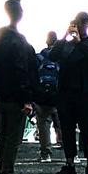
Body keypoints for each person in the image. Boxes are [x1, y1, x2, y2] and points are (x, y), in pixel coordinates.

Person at [0, 0, 39, 174]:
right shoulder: (17, 41)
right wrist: (26, 98)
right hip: (16, 97)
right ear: (19, 14)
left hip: (2, 95)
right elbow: (21, 70)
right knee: (13, 138)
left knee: (4, 136)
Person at [52, 12, 88, 174]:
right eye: (77, 23)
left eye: (83, 23)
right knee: (67, 129)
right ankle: (69, 162)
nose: (80, 26)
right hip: (65, 92)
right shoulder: (65, 46)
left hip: (85, 92)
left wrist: (80, 43)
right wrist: (65, 35)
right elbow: (52, 55)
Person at [34, 30, 62, 161]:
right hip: (58, 94)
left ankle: (46, 152)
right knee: (61, 121)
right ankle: (65, 148)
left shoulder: (40, 56)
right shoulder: (62, 56)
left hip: (42, 96)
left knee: (44, 123)